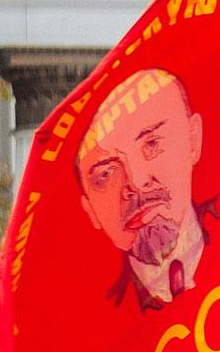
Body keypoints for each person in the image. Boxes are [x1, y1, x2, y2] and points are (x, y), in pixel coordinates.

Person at [76, 67, 211, 312]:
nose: (136, 183)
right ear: (90, 211)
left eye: (152, 144)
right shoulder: (91, 320)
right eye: (106, 174)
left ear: (193, 140)